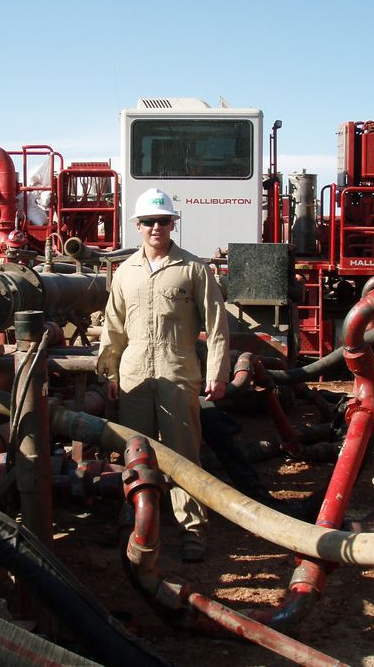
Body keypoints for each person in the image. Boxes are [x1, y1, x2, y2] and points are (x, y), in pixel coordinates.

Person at [97, 187, 230, 562]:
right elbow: (113, 327)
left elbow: (217, 327)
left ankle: (193, 529)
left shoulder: (193, 269)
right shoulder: (126, 272)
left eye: (164, 221)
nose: (157, 227)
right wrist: (110, 372)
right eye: (150, 222)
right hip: (134, 374)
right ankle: (134, 521)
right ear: (137, 226)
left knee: (183, 453)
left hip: (177, 371)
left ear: (173, 225)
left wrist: (217, 373)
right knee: (135, 453)